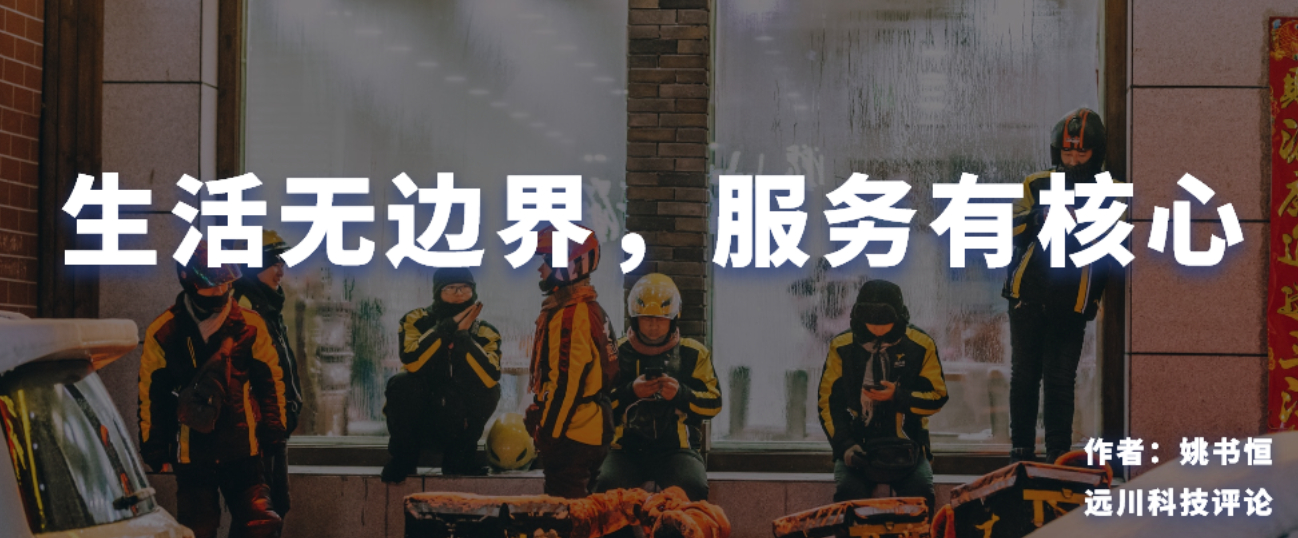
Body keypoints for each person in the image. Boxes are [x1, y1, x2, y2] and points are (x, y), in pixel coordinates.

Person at [138, 240, 287, 538]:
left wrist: (274, 431)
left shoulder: (250, 324)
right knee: (198, 529)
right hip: (193, 452)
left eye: (225, 283)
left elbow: (270, 381)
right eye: (212, 284)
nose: (221, 291)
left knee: (258, 525)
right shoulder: (165, 330)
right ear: (189, 282)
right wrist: (154, 446)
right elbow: (152, 393)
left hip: (243, 448)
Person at [1003, 108, 1118, 464]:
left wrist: (1080, 222)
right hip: (1027, 295)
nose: (1073, 159)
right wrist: (1039, 217)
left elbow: (1111, 243)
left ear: (1096, 152)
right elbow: (1008, 230)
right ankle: (1020, 452)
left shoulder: (1111, 191)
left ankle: (1057, 456)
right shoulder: (1036, 183)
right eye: (1067, 152)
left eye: (1081, 152)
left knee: (1059, 379)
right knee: (1024, 377)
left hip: (1073, 299)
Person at [817, 280, 948, 510]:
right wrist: (845, 446)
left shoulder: (920, 345)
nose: (877, 329)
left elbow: (938, 396)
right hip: (858, 446)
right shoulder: (842, 346)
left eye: (885, 324)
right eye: (871, 323)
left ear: (899, 318)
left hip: (908, 445)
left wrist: (899, 397)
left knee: (920, 498)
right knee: (849, 498)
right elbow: (828, 403)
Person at [594, 273, 721, 501]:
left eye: (661, 319)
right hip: (624, 450)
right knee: (605, 486)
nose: (653, 325)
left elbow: (714, 404)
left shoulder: (694, 353)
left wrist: (681, 394)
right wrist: (630, 392)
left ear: (673, 319)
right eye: (646, 319)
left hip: (677, 450)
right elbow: (596, 405)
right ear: (635, 319)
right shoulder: (616, 353)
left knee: (692, 487)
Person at [382, 267, 502, 482]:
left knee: (491, 390)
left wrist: (463, 337)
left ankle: (461, 459)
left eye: (465, 288)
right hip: (423, 419)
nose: (459, 293)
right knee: (401, 383)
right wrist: (446, 328)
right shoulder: (416, 320)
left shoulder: (485, 331)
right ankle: (403, 459)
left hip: (458, 421)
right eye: (451, 288)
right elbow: (412, 361)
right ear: (438, 292)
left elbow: (491, 376)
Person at [526, 225, 619, 498]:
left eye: (547, 261)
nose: (540, 269)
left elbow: (566, 384)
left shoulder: (570, 314)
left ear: (567, 266)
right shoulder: (591, 307)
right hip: (593, 430)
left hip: (573, 437)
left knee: (566, 515)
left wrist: (547, 436)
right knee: (587, 513)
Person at [233, 229, 303, 522]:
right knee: (263, 512)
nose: (281, 271)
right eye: (274, 263)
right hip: (260, 428)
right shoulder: (245, 308)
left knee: (271, 508)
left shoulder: (267, 305)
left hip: (272, 423)